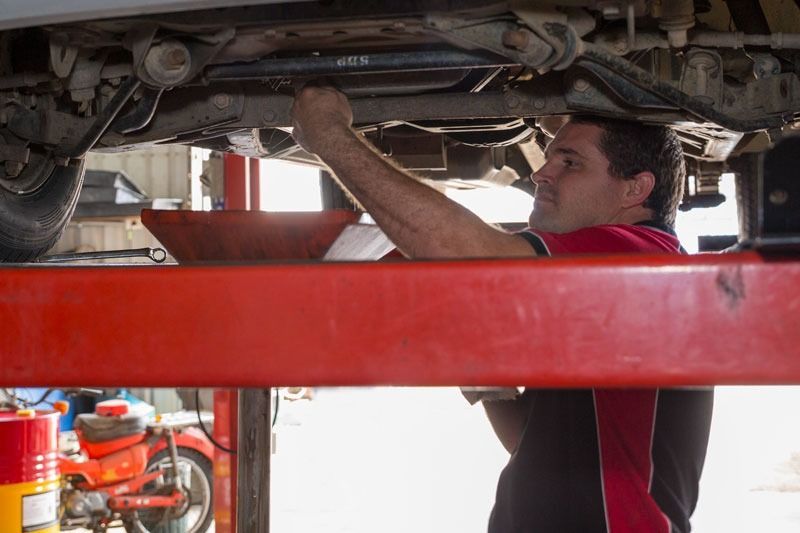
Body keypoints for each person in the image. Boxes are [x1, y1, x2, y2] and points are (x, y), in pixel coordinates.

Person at [290, 85, 713, 533]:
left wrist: (329, 135)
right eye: (549, 159)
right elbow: (530, 438)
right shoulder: (604, 288)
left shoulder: (636, 252)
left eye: (570, 163)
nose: (541, 173)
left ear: (635, 189)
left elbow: (469, 256)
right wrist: (482, 366)